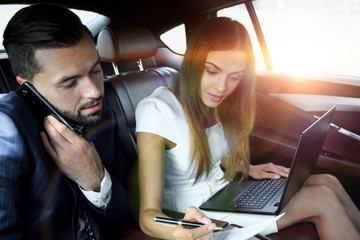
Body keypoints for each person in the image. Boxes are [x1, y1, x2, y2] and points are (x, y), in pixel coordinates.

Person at [135, 17, 360, 239]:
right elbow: (147, 215)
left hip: (228, 197)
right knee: (322, 199)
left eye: (234, 77)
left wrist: (249, 168)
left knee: (328, 181)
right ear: (194, 63)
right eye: (212, 71)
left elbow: (209, 154)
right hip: (204, 217)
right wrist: (178, 230)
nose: (222, 88)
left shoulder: (213, 101)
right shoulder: (156, 111)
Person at [0, 4, 134, 240]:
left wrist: (96, 180)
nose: (93, 92)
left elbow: (127, 216)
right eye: (70, 83)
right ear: (26, 85)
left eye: (95, 70)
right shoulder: (7, 130)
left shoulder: (105, 117)